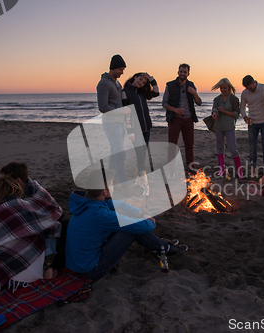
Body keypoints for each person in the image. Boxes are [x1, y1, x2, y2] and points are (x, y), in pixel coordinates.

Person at [65, 171, 188, 280]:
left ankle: (162, 246)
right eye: (112, 184)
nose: (114, 187)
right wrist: (149, 221)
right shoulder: (100, 214)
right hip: (90, 269)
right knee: (132, 230)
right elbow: (146, 227)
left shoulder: (88, 202)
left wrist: (140, 213)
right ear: (104, 191)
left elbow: (118, 205)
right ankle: (164, 248)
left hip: (78, 263)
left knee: (132, 224)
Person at [97, 54, 133, 194]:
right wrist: (121, 112)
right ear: (113, 68)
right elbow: (103, 107)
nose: (122, 72)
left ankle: (109, 181)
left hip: (119, 123)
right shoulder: (104, 83)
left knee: (114, 153)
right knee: (120, 154)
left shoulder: (116, 83)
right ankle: (124, 184)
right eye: (120, 69)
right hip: (111, 124)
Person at [122, 72, 160, 195]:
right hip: (135, 129)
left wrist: (151, 79)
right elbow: (125, 113)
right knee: (140, 155)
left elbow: (156, 92)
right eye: (140, 79)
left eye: (144, 82)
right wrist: (130, 132)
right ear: (134, 77)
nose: (141, 83)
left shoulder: (142, 92)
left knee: (142, 154)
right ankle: (143, 183)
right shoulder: (125, 92)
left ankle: (139, 180)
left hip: (146, 127)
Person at [162, 63, 202, 172]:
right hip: (175, 119)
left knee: (189, 145)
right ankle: (171, 169)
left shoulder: (191, 85)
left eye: (185, 72)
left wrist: (194, 93)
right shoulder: (170, 85)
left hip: (188, 119)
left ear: (188, 73)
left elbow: (199, 102)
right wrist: (175, 109)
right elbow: (164, 103)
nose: (182, 73)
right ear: (178, 72)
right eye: (181, 71)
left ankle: (191, 167)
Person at [210, 78, 243, 180]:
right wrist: (214, 113)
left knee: (233, 149)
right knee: (219, 148)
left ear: (229, 88)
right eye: (221, 88)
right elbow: (214, 108)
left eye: (225, 88)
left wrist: (224, 111)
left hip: (229, 127)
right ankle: (222, 170)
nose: (223, 90)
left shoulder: (234, 99)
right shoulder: (217, 99)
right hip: (218, 126)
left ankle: (240, 172)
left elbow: (236, 114)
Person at [240, 75, 264, 178]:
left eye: (250, 87)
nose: (249, 90)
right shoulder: (245, 93)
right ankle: (254, 170)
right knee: (252, 147)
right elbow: (242, 107)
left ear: (254, 82)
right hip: (252, 123)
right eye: (247, 88)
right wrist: (245, 116)